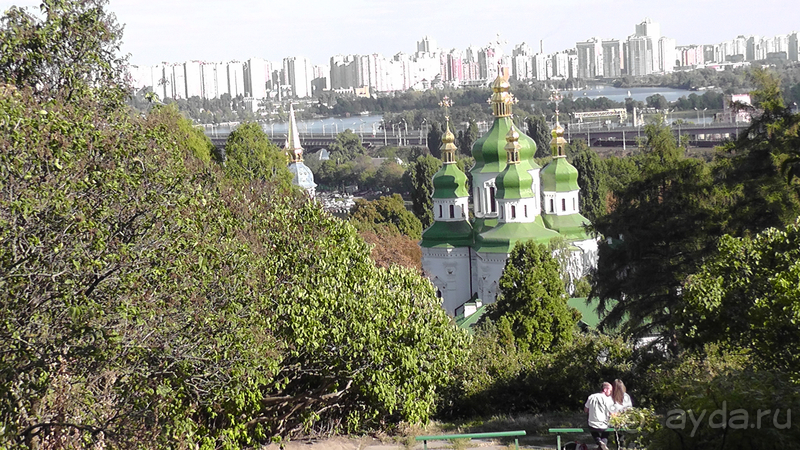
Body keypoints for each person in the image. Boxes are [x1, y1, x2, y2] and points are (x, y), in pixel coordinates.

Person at [584, 382, 613, 450]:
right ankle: (603, 443)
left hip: (592, 424)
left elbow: (585, 410)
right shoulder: (608, 399)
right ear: (605, 389)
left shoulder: (591, 396)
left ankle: (599, 442)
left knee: (591, 428)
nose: (611, 392)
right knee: (607, 430)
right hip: (604, 425)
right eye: (610, 390)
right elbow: (612, 413)